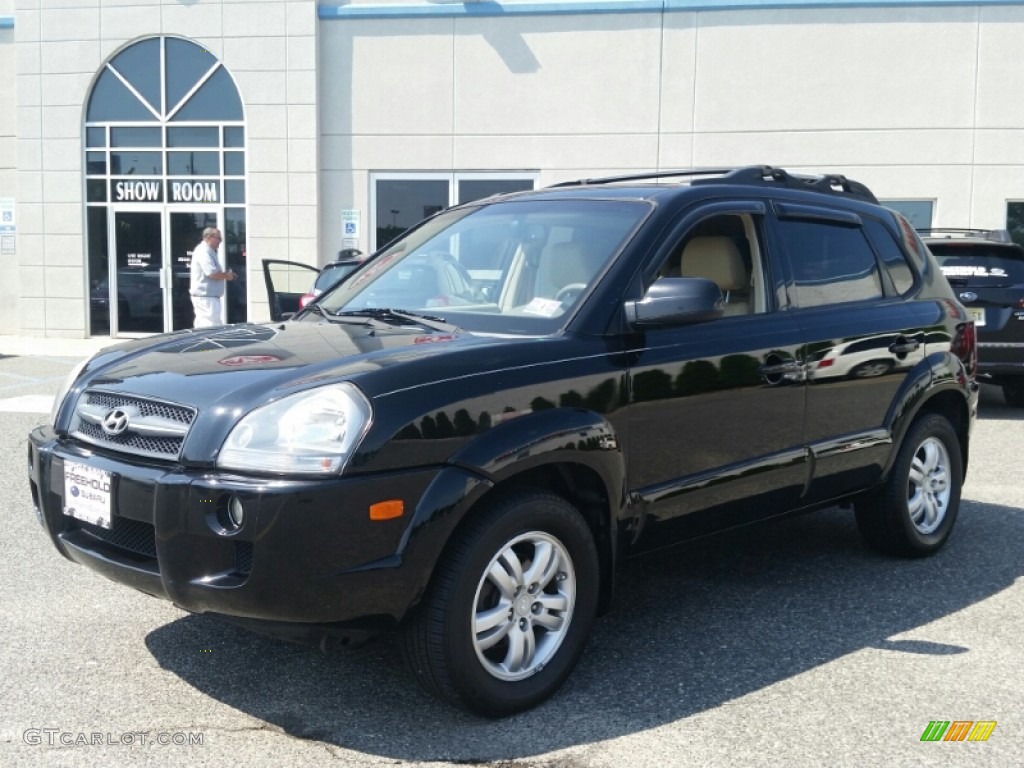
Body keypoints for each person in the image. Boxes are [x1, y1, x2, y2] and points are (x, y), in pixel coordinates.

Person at [189, 227, 235, 328]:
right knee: (210, 327)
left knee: (206, 326)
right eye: (218, 238)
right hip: (206, 298)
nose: (221, 241)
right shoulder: (204, 251)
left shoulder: (209, 251)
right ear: (209, 238)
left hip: (208, 297)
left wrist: (225, 274)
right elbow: (211, 273)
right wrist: (227, 276)